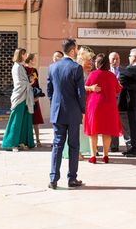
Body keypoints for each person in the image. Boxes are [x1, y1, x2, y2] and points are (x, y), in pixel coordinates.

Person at [47, 38, 86, 189]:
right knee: (73, 145)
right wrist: (82, 109)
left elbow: (50, 90)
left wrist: (55, 104)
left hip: (57, 111)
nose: (77, 52)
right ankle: (72, 179)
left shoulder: (52, 67)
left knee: (57, 145)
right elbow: (80, 92)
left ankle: (53, 179)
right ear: (71, 51)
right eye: (76, 49)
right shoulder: (76, 68)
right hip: (73, 111)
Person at [84, 54, 121, 164]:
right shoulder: (112, 76)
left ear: (98, 63)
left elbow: (86, 88)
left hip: (94, 105)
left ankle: (93, 156)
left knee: (93, 131)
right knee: (107, 132)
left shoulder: (93, 74)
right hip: (109, 106)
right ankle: (105, 156)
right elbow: (118, 89)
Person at [62, 47, 93, 160]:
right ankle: (75, 152)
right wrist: (90, 88)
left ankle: (80, 150)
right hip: (77, 105)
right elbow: (76, 88)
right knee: (77, 130)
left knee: (82, 130)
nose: (90, 63)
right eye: (88, 61)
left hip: (86, 105)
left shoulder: (87, 73)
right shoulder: (77, 70)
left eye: (91, 61)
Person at [2, 48, 35, 150]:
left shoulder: (20, 66)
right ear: (21, 55)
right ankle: (11, 143)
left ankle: (21, 141)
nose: (26, 56)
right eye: (25, 54)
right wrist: (29, 83)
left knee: (24, 120)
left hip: (25, 96)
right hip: (20, 96)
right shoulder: (16, 67)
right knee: (16, 120)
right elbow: (18, 83)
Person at [118, 48, 136, 157]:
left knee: (135, 128)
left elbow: (122, 75)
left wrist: (123, 83)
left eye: (130, 56)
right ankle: (135, 147)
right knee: (134, 127)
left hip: (134, 103)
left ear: (134, 57)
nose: (129, 58)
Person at [24, 53, 44, 147]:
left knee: (36, 121)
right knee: (27, 119)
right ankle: (27, 140)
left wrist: (38, 96)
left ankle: (38, 140)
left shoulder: (34, 70)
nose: (36, 60)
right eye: (35, 59)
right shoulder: (23, 69)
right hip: (26, 97)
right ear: (31, 60)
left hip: (35, 97)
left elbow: (37, 84)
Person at [108, 52, 122, 152]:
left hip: (121, 100)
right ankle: (113, 145)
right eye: (113, 59)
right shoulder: (106, 71)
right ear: (109, 60)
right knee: (111, 123)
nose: (115, 61)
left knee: (123, 123)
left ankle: (130, 145)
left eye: (117, 59)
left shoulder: (124, 71)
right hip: (109, 100)